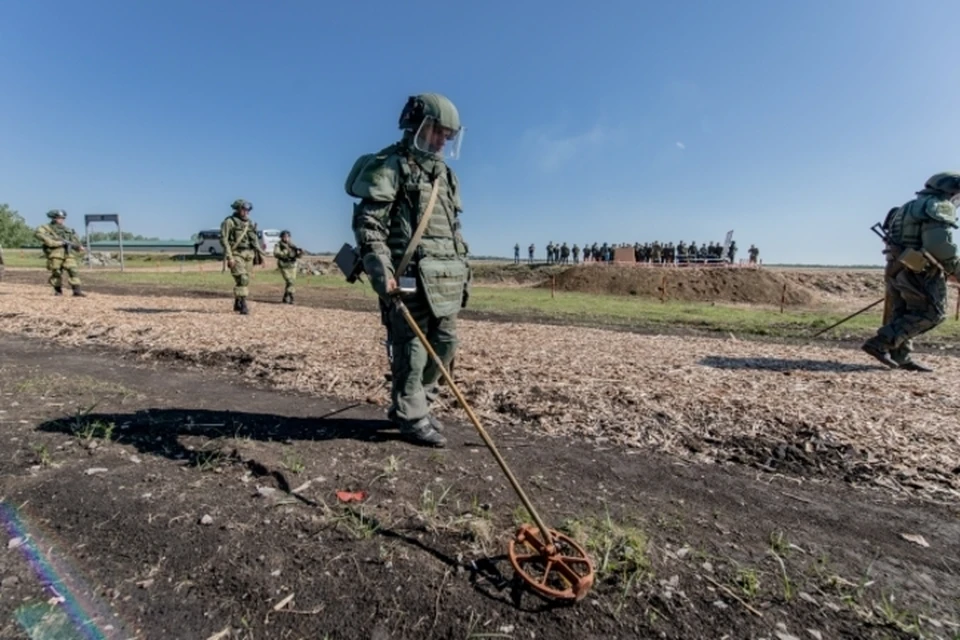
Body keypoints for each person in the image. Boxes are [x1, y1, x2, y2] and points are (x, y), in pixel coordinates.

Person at [347, 93, 469, 447]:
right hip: (408, 275)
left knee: (445, 345)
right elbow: (370, 226)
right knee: (411, 348)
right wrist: (381, 270)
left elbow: (453, 227)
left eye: (449, 134)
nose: (444, 140)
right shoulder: (389, 165)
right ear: (417, 127)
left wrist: (463, 265)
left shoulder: (446, 175)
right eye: (438, 131)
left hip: (444, 278)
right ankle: (411, 416)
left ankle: (419, 405)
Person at [862, 172, 960, 372]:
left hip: (897, 266)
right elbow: (939, 245)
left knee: (903, 312)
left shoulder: (906, 207)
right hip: (920, 269)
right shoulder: (938, 205)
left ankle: (901, 357)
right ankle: (881, 342)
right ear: (951, 190)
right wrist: (955, 270)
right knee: (932, 313)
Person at [220, 199, 265, 314]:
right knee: (243, 278)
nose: (247, 212)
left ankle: (237, 301)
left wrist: (261, 253)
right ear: (238, 209)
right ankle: (244, 304)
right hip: (236, 254)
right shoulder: (229, 222)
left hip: (248, 255)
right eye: (244, 209)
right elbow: (224, 240)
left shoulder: (249, 222)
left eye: (248, 210)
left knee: (245, 280)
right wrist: (230, 257)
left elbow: (253, 240)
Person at [34, 209, 86, 296]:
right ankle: (58, 291)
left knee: (73, 270)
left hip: (67, 252)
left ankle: (77, 291)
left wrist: (78, 246)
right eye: (59, 218)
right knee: (56, 271)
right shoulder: (46, 228)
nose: (61, 220)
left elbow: (74, 241)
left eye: (63, 218)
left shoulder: (67, 230)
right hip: (55, 253)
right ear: (53, 218)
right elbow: (39, 234)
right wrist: (55, 243)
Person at [273, 230, 302, 304]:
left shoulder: (292, 245)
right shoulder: (278, 245)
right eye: (284, 237)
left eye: (288, 237)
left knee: (291, 282)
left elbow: (297, 256)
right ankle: (292, 297)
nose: (286, 238)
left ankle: (286, 296)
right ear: (281, 237)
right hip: (284, 265)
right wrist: (285, 252)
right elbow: (276, 253)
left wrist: (299, 253)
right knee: (290, 281)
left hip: (292, 265)